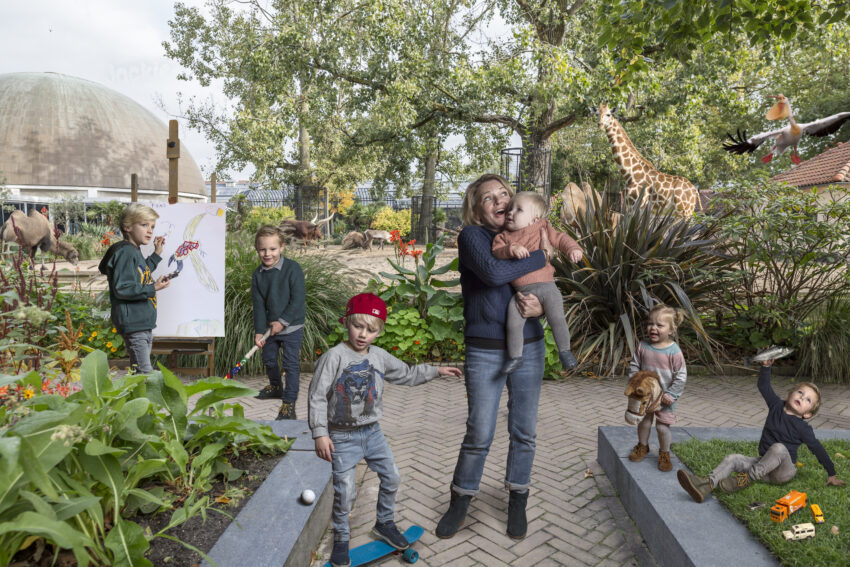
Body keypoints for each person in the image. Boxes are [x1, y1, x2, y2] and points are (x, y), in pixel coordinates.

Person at [436, 174, 551, 541]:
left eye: (504, 193)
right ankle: (460, 500)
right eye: (489, 197)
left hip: (530, 345)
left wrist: (538, 308)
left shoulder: (525, 233)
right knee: (479, 432)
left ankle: (518, 498)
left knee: (524, 430)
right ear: (477, 208)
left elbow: (543, 288)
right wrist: (541, 254)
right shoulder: (472, 237)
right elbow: (493, 272)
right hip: (485, 350)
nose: (500, 200)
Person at [308, 293, 462, 567]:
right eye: (358, 326)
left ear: (379, 331)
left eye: (371, 330)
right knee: (345, 491)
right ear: (347, 323)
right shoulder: (333, 358)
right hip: (341, 436)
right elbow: (317, 396)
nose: (363, 334)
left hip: (373, 433)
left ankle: (385, 522)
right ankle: (341, 538)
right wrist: (320, 433)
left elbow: (406, 373)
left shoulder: (379, 357)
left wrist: (436, 372)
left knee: (392, 477)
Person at [678, 357, 845, 502]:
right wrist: (766, 367)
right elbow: (764, 386)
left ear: (808, 414)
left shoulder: (803, 428)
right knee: (733, 458)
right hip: (763, 465)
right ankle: (705, 485)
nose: (802, 397)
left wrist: (831, 473)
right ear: (788, 395)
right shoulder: (776, 406)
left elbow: (818, 449)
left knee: (778, 448)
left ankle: (744, 480)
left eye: (808, 399)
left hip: (782, 471)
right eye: (800, 392)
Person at [491, 190, 583, 374]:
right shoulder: (504, 237)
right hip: (521, 292)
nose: (510, 212)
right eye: (510, 209)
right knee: (513, 322)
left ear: (534, 220)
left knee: (557, 316)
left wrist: (573, 248)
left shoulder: (542, 227)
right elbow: (496, 251)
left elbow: (560, 238)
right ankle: (515, 357)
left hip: (547, 286)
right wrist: (511, 248)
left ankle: (564, 351)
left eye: (518, 210)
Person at [98, 203, 170, 373]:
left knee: (140, 373)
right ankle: (140, 399)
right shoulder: (126, 252)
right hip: (134, 323)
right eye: (144, 225)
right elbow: (123, 288)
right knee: (145, 374)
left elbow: (140, 274)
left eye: (152, 226)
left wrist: (156, 254)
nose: (150, 231)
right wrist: (154, 287)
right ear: (127, 227)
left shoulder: (133, 251)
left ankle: (136, 398)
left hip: (141, 323)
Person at [251, 225, 306, 420]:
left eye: (272, 249)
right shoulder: (257, 275)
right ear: (257, 249)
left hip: (292, 327)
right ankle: (276, 387)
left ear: (282, 247)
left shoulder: (292, 269)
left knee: (290, 365)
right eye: (263, 249)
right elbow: (258, 305)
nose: (268, 254)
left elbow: (297, 300)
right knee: (268, 359)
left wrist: (282, 322)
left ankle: (288, 404)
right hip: (270, 330)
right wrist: (259, 331)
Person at [627, 303, 687, 472]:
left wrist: (672, 394)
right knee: (644, 422)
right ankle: (642, 446)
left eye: (659, 325)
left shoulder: (674, 351)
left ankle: (664, 453)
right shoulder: (643, 346)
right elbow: (634, 365)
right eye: (650, 324)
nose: (653, 328)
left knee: (662, 427)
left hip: (665, 398)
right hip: (645, 396)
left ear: (671, 330)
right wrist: (635, 383)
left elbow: (681, 375)